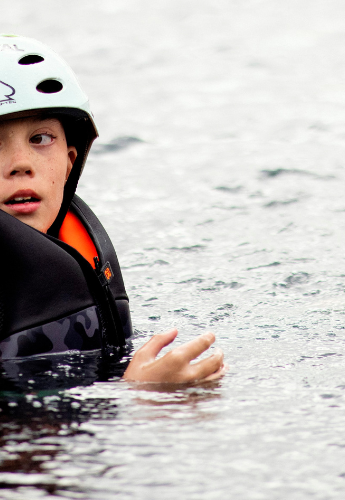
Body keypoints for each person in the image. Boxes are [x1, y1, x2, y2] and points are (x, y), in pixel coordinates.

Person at [0, 35, 226, 384]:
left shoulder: (71, 250)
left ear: (69, 162)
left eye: (41, 139)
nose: (21, 164)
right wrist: (137, 394)